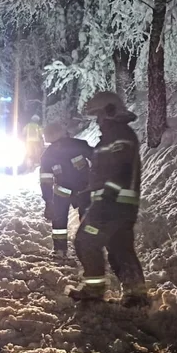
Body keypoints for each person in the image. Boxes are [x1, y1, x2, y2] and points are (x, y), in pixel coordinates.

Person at [69, 91, 149, 309]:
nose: (98, 120)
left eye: (99, 115)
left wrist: (105, 198)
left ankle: (94, 289)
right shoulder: (116, 135)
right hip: (121, 206)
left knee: (85, 241)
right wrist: (88, 192)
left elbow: (121, 170)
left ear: (110, 111)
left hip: (111, 205)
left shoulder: (119, 135)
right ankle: (136, 295)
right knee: (120, 248)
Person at [39, 121, 93, 258]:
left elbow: (46, 181)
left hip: (69, 192)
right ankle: (88, 247)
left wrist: (48, 201)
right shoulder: (78, 145)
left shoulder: (48, 155)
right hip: (81, 190)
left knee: (60, 222)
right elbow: (98, 159)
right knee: (83, 220)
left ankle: (61, 250)